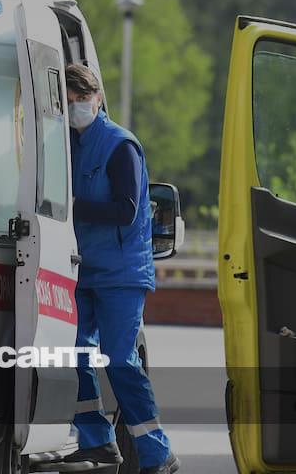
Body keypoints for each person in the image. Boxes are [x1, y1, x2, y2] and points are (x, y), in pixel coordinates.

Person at [55, 64, 178, 474]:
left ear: (98, 99)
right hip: (83, 267)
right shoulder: (67, 143)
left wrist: (72, 206)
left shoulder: (119, 145)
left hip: (122, 272)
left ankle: (158, 453)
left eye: (82, 100)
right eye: (69, 101)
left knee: (120, 359)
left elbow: (126, 210)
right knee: (75, 352)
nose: (77, 108)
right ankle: (97, 441)